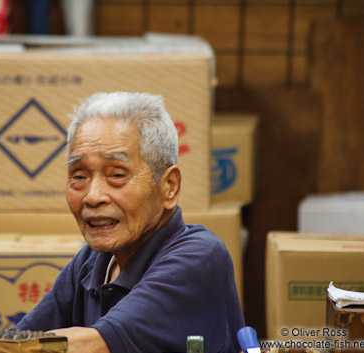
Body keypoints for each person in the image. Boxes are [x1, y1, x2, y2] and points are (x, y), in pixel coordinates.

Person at [15, 92, 245, 352]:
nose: (93, 197)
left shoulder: (199, 256)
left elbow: (95, 345)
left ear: (169, 186)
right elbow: (19, 339)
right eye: (79, 176)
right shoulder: (91, 263)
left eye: (117, 174)